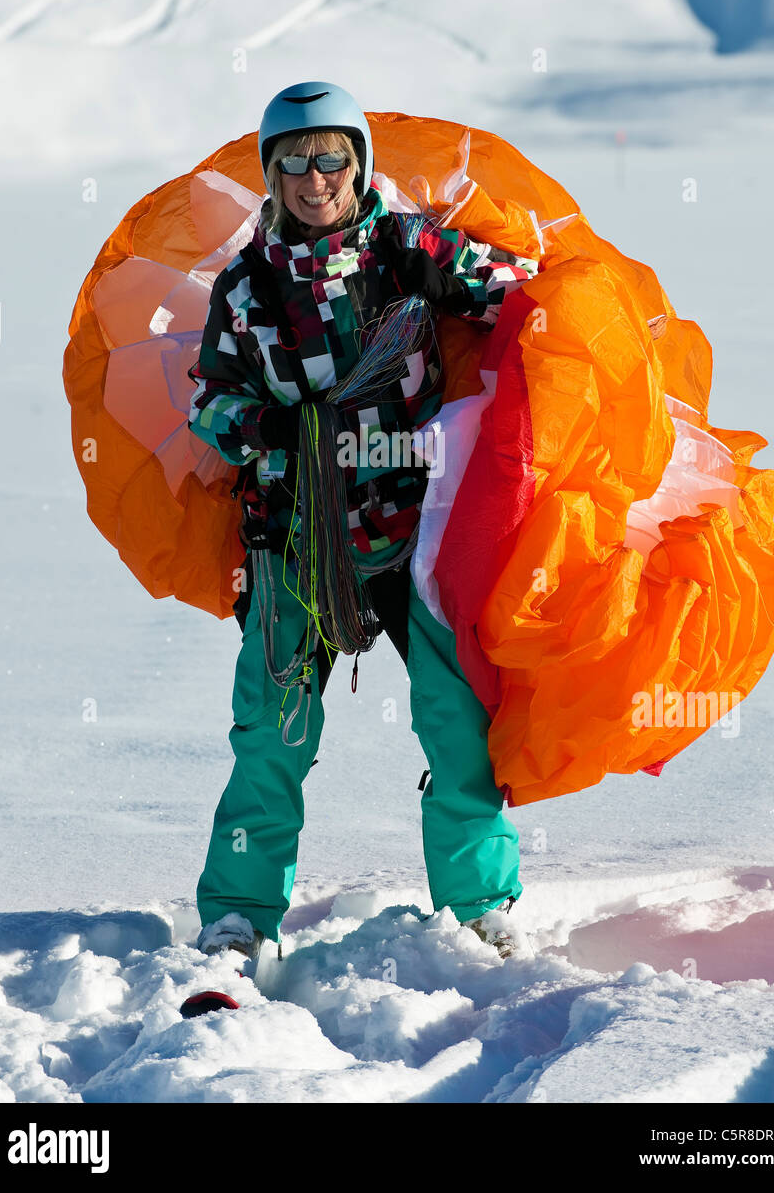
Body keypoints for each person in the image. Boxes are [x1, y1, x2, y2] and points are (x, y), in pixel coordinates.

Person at [186, 81, 540, 969]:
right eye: (294, 162)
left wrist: (459, 283)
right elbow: (211, 399)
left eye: (332, 157)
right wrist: (262, 427)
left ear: (360, 162)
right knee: (272, 731)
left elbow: (523, 306)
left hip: (412, 527)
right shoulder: (247, 286)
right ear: (270, 174)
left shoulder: (408, 248)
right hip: (296, 536)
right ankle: (238, 917)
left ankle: (480, 905)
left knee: (456, 717)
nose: (315, 179)